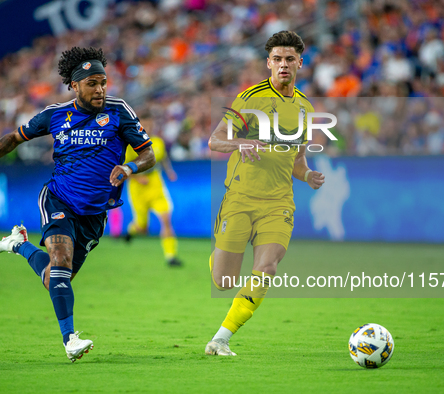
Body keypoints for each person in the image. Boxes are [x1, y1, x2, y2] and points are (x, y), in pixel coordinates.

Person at [0, 47, 156, 362]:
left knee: (54, 277)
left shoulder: (120, 111)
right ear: (74, 85)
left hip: (94, 214)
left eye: (103, 82)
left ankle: (19, 246)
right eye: (92, 83)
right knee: (62, 262)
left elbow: (148, 153)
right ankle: (70, 340)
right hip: (58, 198)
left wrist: (129, 168)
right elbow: (15, 137)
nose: (100, 89)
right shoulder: (55, 115)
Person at [205, 31, 326, 356]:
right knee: (224, 282)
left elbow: (296, 161)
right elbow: (214, 141)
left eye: (290, 59)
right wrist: (240, 142)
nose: (284, 64)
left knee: (267, 268)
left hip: (279, 204)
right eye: (277, 59)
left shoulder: (304, 107)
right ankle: (219, 257)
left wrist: (309, 175)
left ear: (300, 62)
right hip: (241, 199)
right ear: (268, 63)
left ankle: (221, 339)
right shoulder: (250, 98)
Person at [121, 123, 183, 267]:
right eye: (145, 123)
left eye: (150, 123)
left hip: (156, 185)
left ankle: (171, 257)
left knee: (166, 218)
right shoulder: (131, 146)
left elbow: (163, 158)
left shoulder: (158, 142)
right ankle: (131, 231)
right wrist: (137, 178)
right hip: (138, 189)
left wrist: (169, 171)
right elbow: (123, 169)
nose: (149, 126)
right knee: (143, 228)